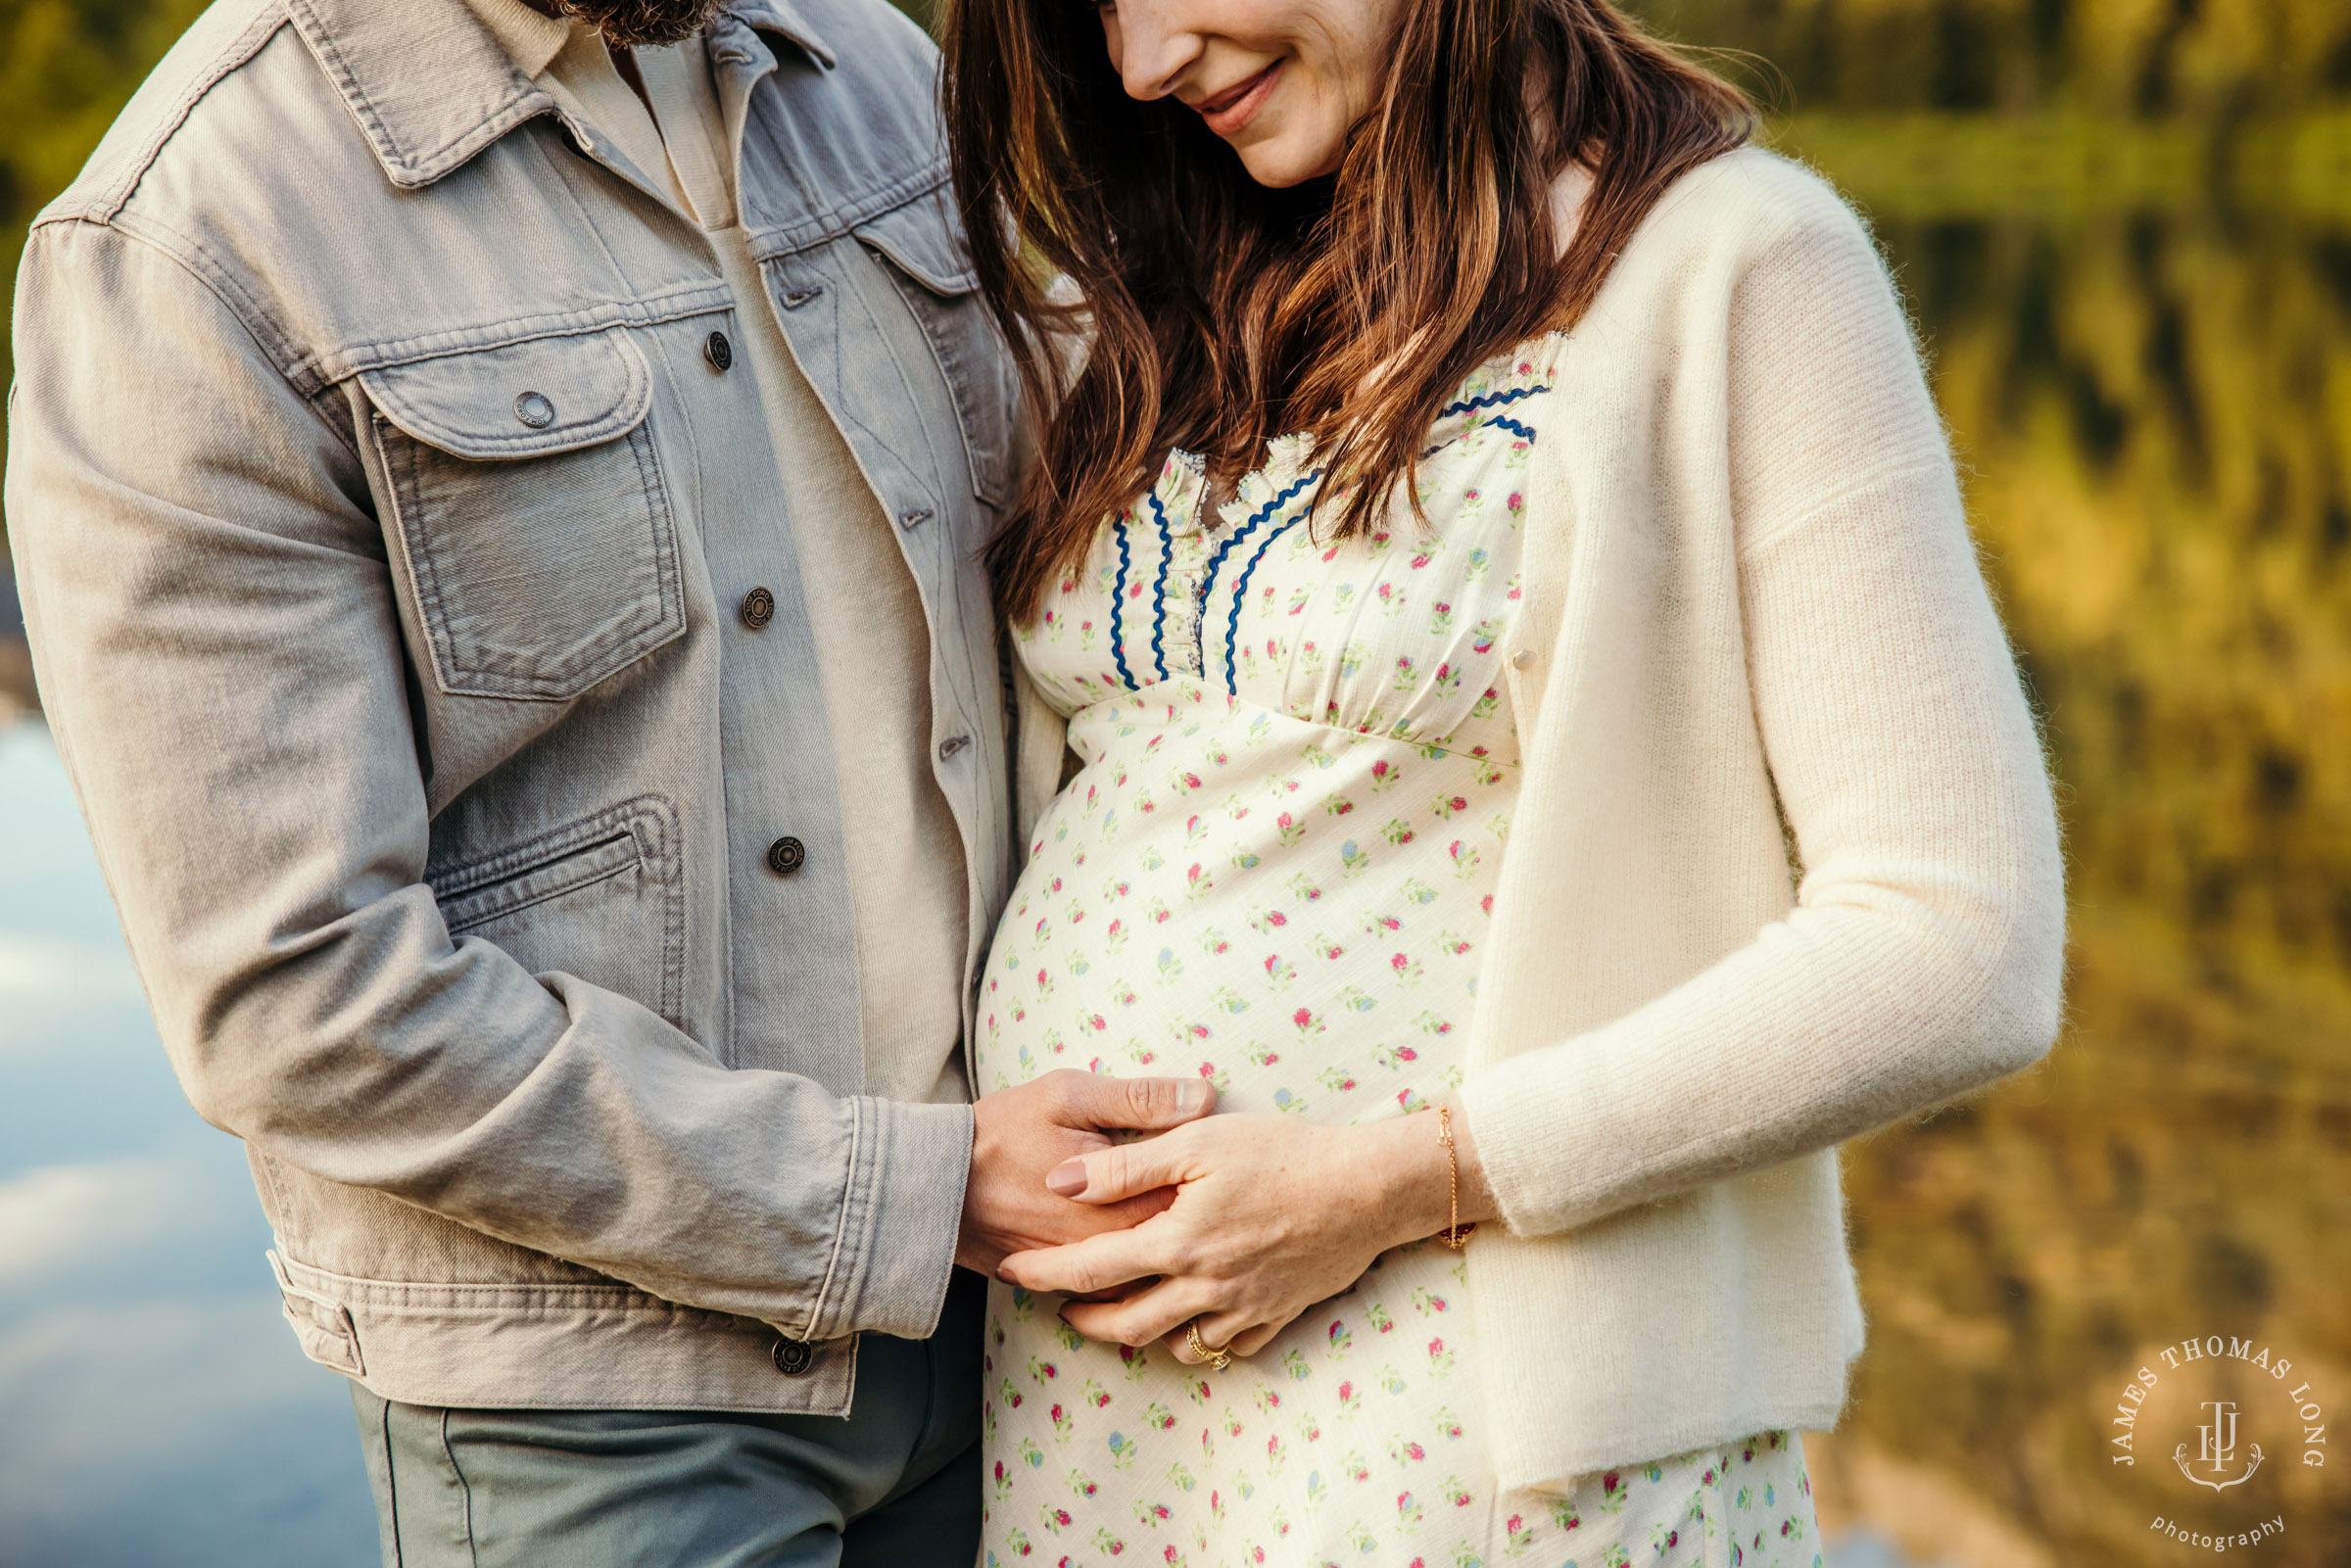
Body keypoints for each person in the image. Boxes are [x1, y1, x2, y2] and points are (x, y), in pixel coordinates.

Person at [4, 0, 1218, 1561]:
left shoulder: (879, 73)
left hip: (1037, 1337)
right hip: (596, 1424)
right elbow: (292, 990)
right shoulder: (185, 239)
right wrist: (902, 1197)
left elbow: (1129, 569)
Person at [939, 0, 2070, 1559]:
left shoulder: (1730, 269)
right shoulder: (1146, 304)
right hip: (1102, 1439)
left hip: (1487, 1441)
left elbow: (1959, 941)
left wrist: (1395, 1180)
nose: (1142, 63)